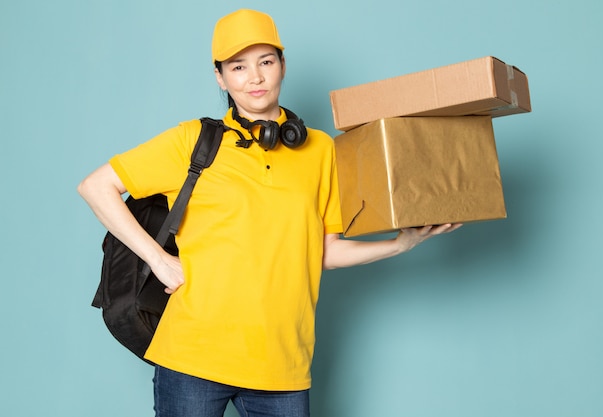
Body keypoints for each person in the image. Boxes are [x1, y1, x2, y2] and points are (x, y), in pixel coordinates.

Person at [77, 8, 461, 417]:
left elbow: (322, 252)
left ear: (282, 65)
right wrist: (159, 260)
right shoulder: (192, 141)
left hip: (283, 365)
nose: (255, 77)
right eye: (238, 67)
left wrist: (400, 244)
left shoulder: (321, 151)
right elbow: (96, 187)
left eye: (266, 62)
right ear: (220, 78)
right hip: (193, 356)